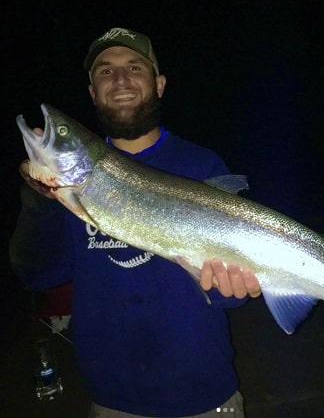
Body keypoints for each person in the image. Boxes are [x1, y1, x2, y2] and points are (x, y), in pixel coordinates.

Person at [9, 27, 262, 418]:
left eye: (134, 68)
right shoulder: (65, 192)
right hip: (113, 399)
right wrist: (40, 199)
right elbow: (38, 274)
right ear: (93, 92)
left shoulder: (202, 166)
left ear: (159, 84)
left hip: (206, 395)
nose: (121, 79)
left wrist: (234, 286)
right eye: (106, 72)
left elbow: (232, 295)